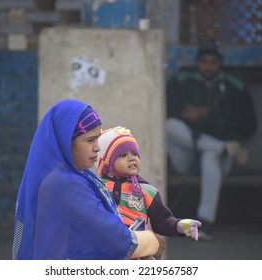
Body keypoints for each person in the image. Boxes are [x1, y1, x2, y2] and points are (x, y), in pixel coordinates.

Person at [12, 99, 164, 260]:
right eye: (90, 140)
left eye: (98, 139)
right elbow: (112, 239)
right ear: (66, 142)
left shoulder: (81, 175)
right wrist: (151, 242)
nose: (97, 147)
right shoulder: (64, 183)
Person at [166, 41, 258, 240]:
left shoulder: (234, 85)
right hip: (187, 154)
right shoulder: (183, 79)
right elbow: (167, 111)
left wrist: (211, 116)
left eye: (213, 62)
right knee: (169, 125)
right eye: (204, 62)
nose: (208, 66)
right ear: (198, 62)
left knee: (211, 156)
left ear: (220, 63)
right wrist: (187, 115)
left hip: (216, 156)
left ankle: (205, 223)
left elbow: (249, 124)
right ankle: (223, 148)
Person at [95, 126, 201, 241]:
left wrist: (179, 226)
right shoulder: (97, 186)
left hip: (137, 246)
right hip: (104, 244)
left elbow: (162, 220)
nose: (131, 158)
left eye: (134, 154)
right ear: (107, 163)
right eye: (123, 155)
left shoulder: (147, 190)